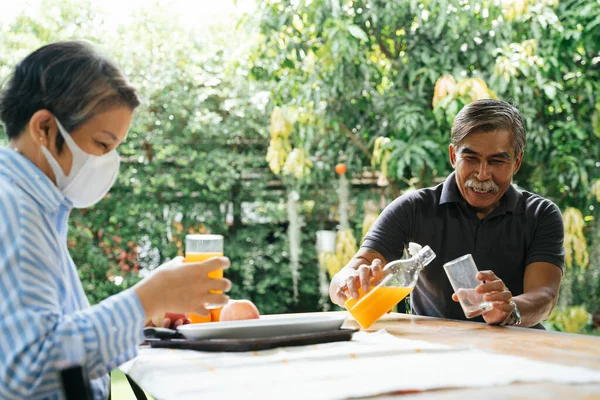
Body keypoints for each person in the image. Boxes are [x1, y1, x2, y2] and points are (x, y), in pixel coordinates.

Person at [0, 41, 232, 399]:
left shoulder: (38, 209)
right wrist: (146, 298)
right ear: (44, 127)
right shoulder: (13, 210)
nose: (108, 162)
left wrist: (142, 314)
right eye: (102, 144)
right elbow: (30, 368)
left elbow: (52, 334)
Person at [330, 99, 564, 329]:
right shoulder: (412, 208)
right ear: (453, 156)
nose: (482, 174)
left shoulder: (541, 214)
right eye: (471, 158)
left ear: (517, 162)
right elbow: (342, 280)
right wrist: (349, 283)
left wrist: (511, 309)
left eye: (496, 161)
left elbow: (545, 297)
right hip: (433, 352)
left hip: (518, 351)